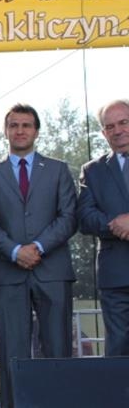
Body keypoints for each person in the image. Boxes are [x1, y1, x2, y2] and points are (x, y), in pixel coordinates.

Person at [0, 103, 77, 408]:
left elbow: (68, 217)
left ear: (36, 131)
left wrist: (38, 247)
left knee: (58, 350)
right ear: (5, 131)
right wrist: (14, 251)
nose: (20, 131)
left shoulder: (59, 170)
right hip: (8, 273)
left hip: (53, 270)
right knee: (12, 353)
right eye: (14, 125)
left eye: (26, 125)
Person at [77, 98, 129, 356]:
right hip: (116, 275)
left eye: (124, 122)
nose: (117, 130)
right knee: (118, 348)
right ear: (103, 133)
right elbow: (85, 218)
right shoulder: (92, 171)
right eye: (110, 126)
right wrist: (117, 224)